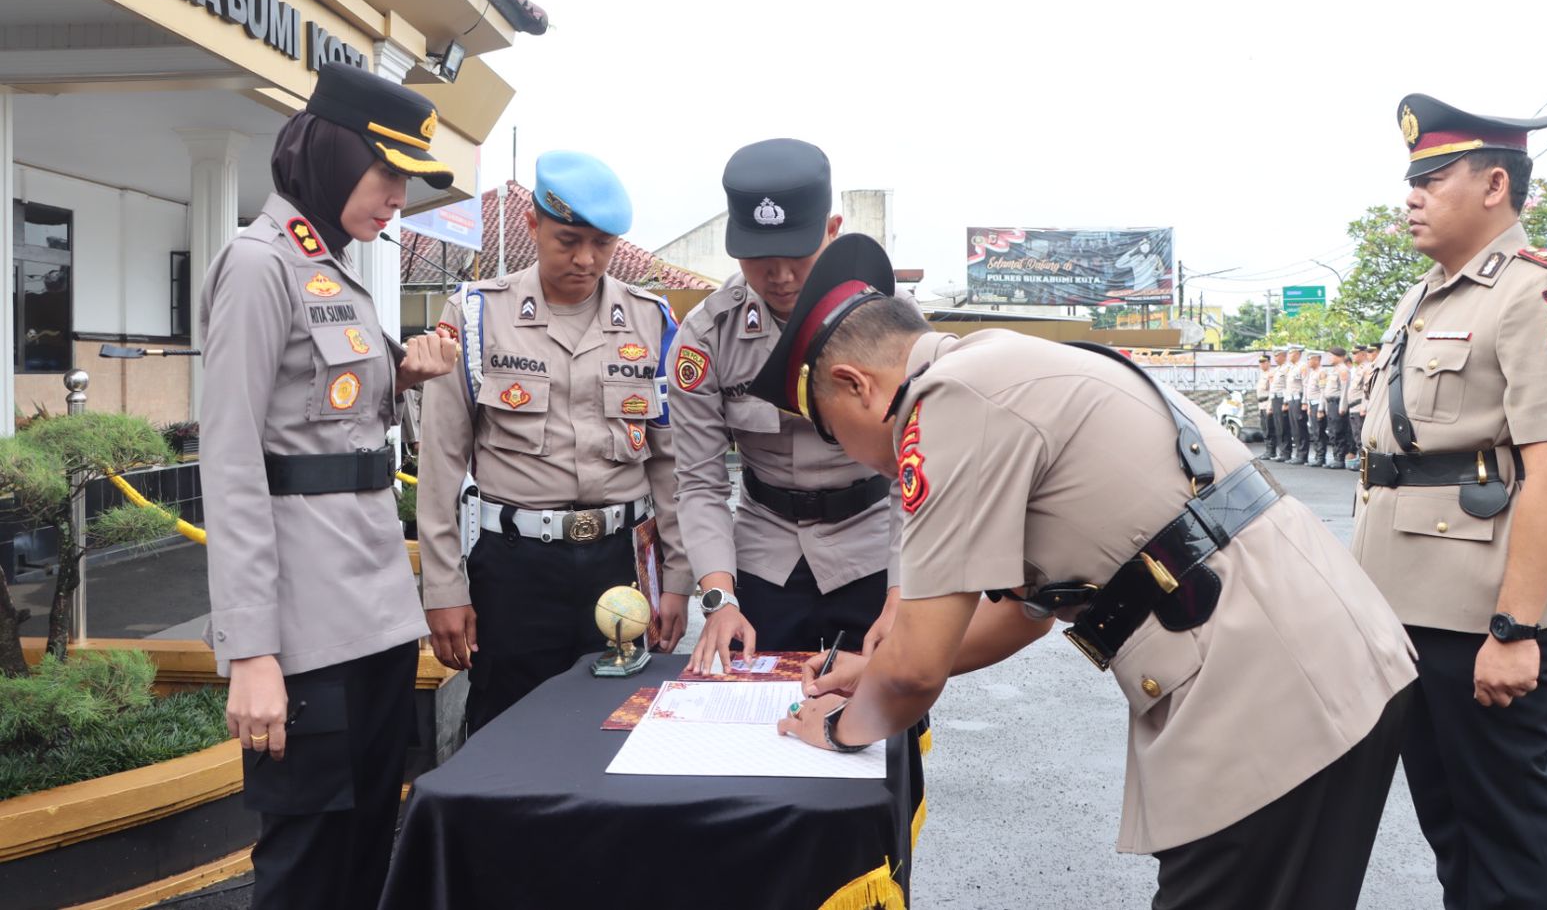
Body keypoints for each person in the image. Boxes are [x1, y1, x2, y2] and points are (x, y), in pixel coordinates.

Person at [764, 235, 1417, 910]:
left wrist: (836, 728)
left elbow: (914, 671)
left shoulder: (947, 401)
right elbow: (1021, 614)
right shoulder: (996, 365)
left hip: (1270, 690)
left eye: (832, 432)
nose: (850, 458)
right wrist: (874, 671)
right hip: (1318, 657)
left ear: (856, 384)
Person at [199, 63, 462, 909]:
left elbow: (336, 427)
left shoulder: (333, 269)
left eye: (406, 182)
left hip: (376, 616)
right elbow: (232, 462)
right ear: (333, 152)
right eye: (386, 173)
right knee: (307, 868)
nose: (398, 199)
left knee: (362, 858)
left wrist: (404, 376)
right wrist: (252, 651)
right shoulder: (258, 265)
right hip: (306, 630)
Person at [1351, 93, 1547, 910]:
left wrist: (1515, 629)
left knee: (1506, 831)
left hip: (1480, 611)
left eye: (1432, 179)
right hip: (1407, 604)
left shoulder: (1540, 295)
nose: (1411, 197)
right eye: (1411, 181)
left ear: (1495, 185)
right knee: (1452, 823)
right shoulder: (1424, 295)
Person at [417, 151, 690, 733]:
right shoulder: (476, 316)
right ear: (532, 225)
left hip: (621, 567)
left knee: (618, 729)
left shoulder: (651, 320)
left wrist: (678, 579)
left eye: (602, 243)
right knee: (506, 729)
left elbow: (671, 466)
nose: (586, 259)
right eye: (568, 240)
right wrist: (443, 588)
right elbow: (440, 464)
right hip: (516, 569)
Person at [671, 139, 900, 674]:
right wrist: (720, 600)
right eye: (759, 259)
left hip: (872, 552)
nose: (780, 276)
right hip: (763, 557)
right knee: (752, 706)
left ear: (832, 230)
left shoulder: (891, 324)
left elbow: (915, 477)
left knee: (884, 705)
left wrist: (903, 592)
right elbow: (700, 483)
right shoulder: (707, 337)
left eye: (797, 255)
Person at [1324, 347, 1350, 468]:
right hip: (1331, 403)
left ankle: (1340, 459)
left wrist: (1343, 406)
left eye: (1331, 356)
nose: (1329, 358)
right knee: (1333, 431)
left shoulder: (1343, 370)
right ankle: (1336, 457)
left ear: (1339, 356)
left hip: (1337, 403)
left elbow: (1345, 389)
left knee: (1339, 431)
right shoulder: (1334, 370)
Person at [1303, 348, 1326, 467]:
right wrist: (1308, 405)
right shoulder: (1312, 372)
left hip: (1318, 404)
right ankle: (1317, 455)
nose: (1308, 361)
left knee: (1319, 431)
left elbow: (1323, 391)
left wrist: (1321, 408)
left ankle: (1321, 457)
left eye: (1310, 359)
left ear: (1317, 360)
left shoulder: (1322, 372)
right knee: (1315, 431)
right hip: (1312, 404)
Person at [1284, 344, 1307, 463]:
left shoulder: (1303, 367)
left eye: (1291, 353)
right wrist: (1286, 401)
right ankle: (1298, 453)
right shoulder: (1291, 368)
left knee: (1299, 427)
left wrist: (1304, 401)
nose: (1289, 355)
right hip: (1291, 399)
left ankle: (1302, 455)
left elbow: (1305, 385)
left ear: (1297, 354)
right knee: (1294, 427)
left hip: (1299, 399)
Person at [1267, 346, 1289, 460]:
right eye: (1274, 356)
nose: (1275, 358)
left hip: (1282, 399)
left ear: (1283, 356)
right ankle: (1282, 452)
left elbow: (1288, 386)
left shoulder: (1287, 368)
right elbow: (1273, 388)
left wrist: (1285, 402)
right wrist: (1270, 404)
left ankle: (1286, 453)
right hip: (1275, 399)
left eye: (1277, 356)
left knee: (1283, 426)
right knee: (1278, 427)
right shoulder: (1276, 370)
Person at [1254, 353, 1275, 455]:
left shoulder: (1271, 374)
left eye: (1264, 362)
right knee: (1264, 428)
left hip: (1267, 404)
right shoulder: (1262, 375)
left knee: (1269, 429)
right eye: (1260, 363)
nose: (1262, 364)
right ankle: (1268, 450)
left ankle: (1271, 451)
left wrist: (1270, 405)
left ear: (1269, 362)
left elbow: (1272, 391)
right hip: (1261, 404)